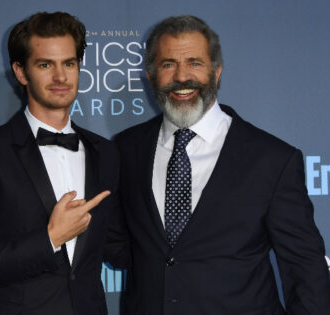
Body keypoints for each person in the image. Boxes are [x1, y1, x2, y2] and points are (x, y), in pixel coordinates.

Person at [115, 15, 330, 314]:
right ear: (150, 77)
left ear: (216, 72)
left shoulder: (272, 159)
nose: (182, 77)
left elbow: (305, 268)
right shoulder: (124, 149)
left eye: (194, 63)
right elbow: (118, 245)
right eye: (168, 65)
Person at [0, 11, 121, 315]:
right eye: (44, 65)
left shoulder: (105, 153)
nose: (60, 77)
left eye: (69, 63)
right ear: (21, 72)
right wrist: (50, 239)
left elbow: (117, 245)